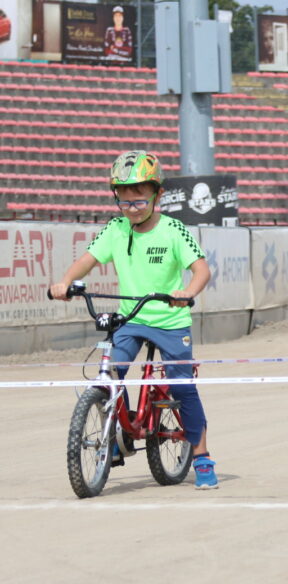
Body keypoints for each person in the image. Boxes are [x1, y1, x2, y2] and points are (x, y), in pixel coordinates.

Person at [49, 151, 218, 489]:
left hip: (170, 320)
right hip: (131, 318)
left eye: (139, 198)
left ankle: (201, 457)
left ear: (158, 194)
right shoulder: (115, 229)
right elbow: (86, 261)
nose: (132, 206)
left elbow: (202, 270)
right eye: (124, 198)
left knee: (182, 387)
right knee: (110, 373)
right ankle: (116, 429)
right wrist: (65, 282)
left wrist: (186, 292)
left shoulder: (173, 230)